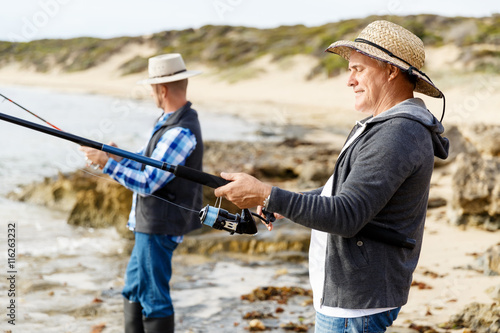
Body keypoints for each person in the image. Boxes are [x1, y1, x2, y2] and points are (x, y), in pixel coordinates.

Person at [214, 20, 449, 332]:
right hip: (355, 297)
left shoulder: (397, 134)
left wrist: (266, 194)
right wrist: (285, 203)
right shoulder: (386, 127)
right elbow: (342, 195)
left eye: (358, 69)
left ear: (391, 70)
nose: (349, 80)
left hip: (357, 302)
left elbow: (346, 215)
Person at [81, 53, 203, 333]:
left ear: (162, 90)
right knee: (133, 291)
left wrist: (106, 164)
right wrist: (117, 154)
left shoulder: (180, 131)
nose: (151, 94)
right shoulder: (170, 121)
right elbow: (151, 159)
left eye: (152, 89)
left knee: (153, 300)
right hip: (150, 226)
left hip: (158, 227)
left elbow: (148, 182)